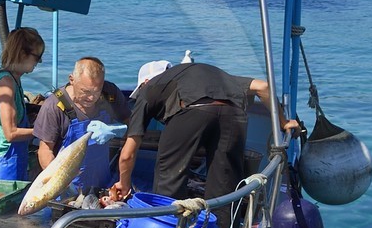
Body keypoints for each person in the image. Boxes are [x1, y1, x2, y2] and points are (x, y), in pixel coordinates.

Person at [113, 60, 294, 208]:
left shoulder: (149, 88)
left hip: (190, 111)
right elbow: (263, 87)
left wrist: (125, 183)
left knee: (169, 182)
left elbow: (127, 154)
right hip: (234, 114)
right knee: (225, 187)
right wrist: (283, 122)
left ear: (145, 82)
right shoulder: (206, 74)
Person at [32, 56, 132, 193]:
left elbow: (132, 125)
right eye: (85, 91)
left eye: (97, 91)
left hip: (102, 180)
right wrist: (58, 182)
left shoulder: (110, 93)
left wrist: (117, 130)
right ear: (72, 80)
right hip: (69, 184)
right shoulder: (54, 106)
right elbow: (45, 150)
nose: (92, 98)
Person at [0, 27, 45, 181]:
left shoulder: (15, 80)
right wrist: (45, 130)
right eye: (37, 56)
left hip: (12, 160)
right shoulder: (5, 83)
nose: (39, 61)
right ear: (22, 54)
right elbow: (11, 133)